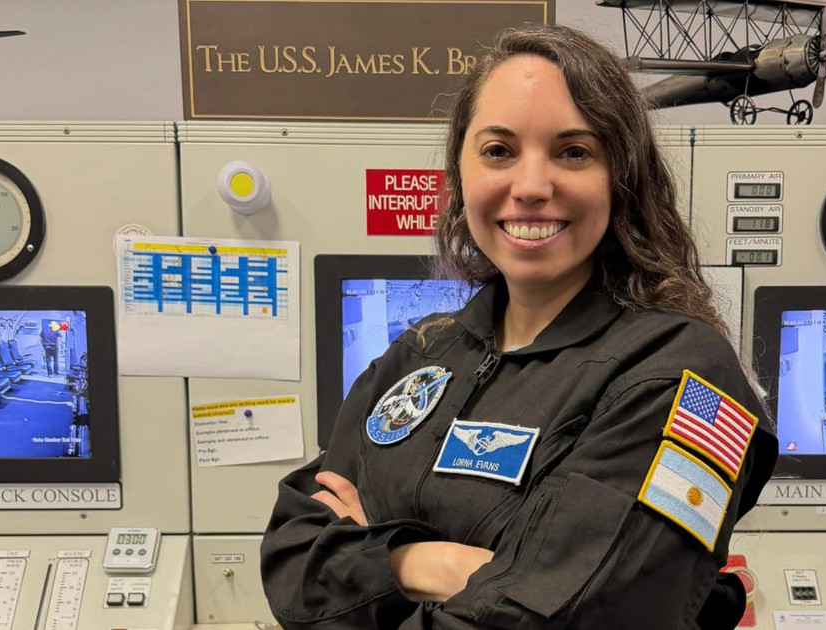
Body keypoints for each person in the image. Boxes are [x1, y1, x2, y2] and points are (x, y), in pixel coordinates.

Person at [261, 24, 777, 629]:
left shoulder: (682, 376)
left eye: (573, 152)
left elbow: (587, 614)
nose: (531, 187)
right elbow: (293, 561)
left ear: (623, 179)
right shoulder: (420, 354)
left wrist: (366, 559)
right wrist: (433, 563)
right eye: (498, 151)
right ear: (460, 175)